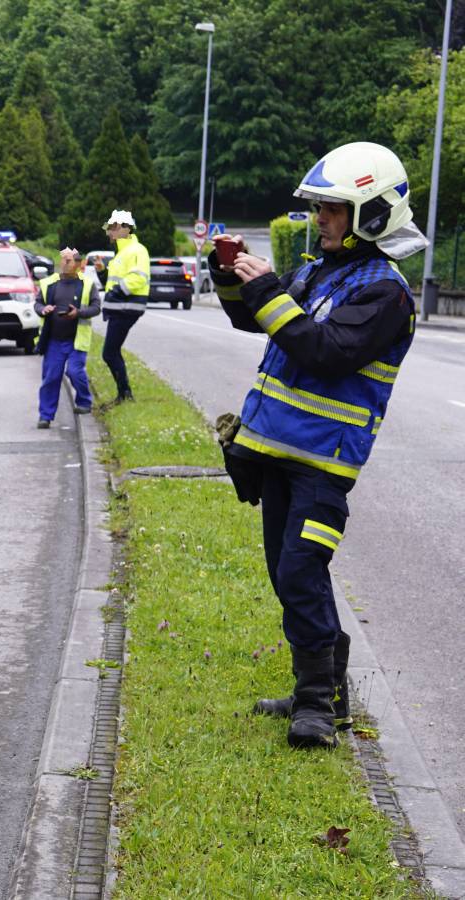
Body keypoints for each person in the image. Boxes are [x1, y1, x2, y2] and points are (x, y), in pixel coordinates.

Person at [211, 142, 426, 750]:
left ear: (372, 214)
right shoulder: (318, 271)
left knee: (303, 572)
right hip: (278, 453)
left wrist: (270, 292)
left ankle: (319, 708)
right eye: (319, 208)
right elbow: (257, 321)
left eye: (333, 209)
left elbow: (325, 351)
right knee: (289, 575)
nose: (320, 219)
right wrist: (230, 278)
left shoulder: (386, 293)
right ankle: (322, 689)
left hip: (324, 468)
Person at [34, 248, 100, 427]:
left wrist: (78, 313)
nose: (65, 263)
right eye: (63, 260)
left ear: (78, 265)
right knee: (51, 377)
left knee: (74, 372)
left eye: (69, 260)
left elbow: (96, 307)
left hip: (76, 340)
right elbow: (38, 303)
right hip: (54, 341)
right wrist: (43, 309)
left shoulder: (87, 284)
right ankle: (45, 416)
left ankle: (84, 402)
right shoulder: (48, 283)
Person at [99, 209, 149, 403]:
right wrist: (102, 273)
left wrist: (115, 292)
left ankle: (125, 394)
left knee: (109, 353)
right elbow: (111, 283)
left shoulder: (136, 250)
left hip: (126, 307)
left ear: (122, 228)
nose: (108, 233)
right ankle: (124, 394)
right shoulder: (123, 252)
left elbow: (138, 278)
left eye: (111, 229)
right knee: (112, 352)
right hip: (120, 307)